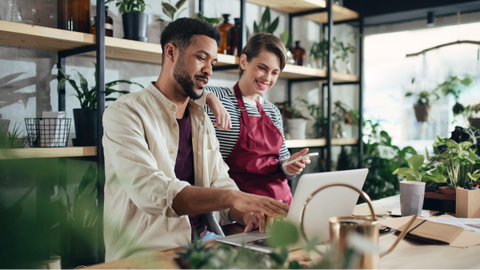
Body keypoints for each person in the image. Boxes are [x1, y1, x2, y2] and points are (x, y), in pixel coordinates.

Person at [102, 18, 289, 262]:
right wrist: (236, 197)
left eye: (213, 62)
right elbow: (151, 191)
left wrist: (246, 214)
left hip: (204, 244)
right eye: (201, 58)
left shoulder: (200, 118)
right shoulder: (125, 113)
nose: (209, 71)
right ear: (171, 52)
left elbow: (219, 181)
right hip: (147, 255)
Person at [203, 33, 312, 206]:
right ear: (244, 61)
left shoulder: (272, 111)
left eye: (274, 72)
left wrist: (290, 167)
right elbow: (183, 91)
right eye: (262, 68)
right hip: (241, 208)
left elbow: (282, 164)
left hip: (282, 204)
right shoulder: (219, 97)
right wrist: (208, 97)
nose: (267, 78)